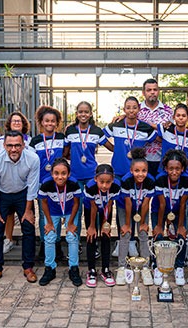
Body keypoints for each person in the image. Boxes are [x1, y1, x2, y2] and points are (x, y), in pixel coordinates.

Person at [104, 96, 156, 257]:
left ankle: (135, 240)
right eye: (128, 107)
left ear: (139, 109)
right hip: (119, 171)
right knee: (121, 205)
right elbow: (102, 136)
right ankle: (123, 240)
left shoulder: (145, 128)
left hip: (137, 174)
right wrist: (115, 149)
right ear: (124, 109)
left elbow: (158, 132)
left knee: (138, 204)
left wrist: (153, 124)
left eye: (134, 107)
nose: (131, 110)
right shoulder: (117, 125)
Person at [0, 131, 40, 286]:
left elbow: (32, 186)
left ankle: (28, 267)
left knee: (28, 228)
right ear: (4, 146)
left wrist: (29, 210)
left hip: (23, 194)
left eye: (17, 145)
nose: (14, 149)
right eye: (10, 145)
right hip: (1, 195)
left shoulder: (32, 158)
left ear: (24, 145)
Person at [63, 101, 114, 259]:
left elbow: (112, 147)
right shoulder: (70, 130)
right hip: (75, 177)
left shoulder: (97, 131)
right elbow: (65, 153)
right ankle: (76, 243)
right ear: (76, 113)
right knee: (75, 210)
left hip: (93, 177)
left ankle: (96, 243)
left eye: (86, 112)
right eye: (80, 112)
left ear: (91, 114)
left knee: (96, 210)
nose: (83, 114)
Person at [38, 158, 82, 287]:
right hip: (52, 212)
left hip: (70, 211)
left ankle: (74, 268)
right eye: (56, 173)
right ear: (52, 174)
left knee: (72, 236)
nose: (60, 177)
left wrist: (71, 223)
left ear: (68, 174)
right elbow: (44, 203)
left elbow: (76, 203)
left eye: (63, 173)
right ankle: (49, 268)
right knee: (50, 237)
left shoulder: (74, 184)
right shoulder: (46, 184)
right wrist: (49, 223)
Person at [151, 149, 188, 286]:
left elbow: (182, 204)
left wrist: (180, 226)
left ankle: (179, 267)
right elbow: (162, 204)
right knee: (158, 236)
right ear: (165, 168)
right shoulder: (160, 178)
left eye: (177, 169)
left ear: (183, 169)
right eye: (171, 169)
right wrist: (159, 226)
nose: (174, 172)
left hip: (178, 210)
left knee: (182, 236)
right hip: (159, 210)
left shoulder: (187, 180)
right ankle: (157, 266)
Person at [29, 106, 65, 261]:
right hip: (42, 183)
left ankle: (56, 245)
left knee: (56, 214)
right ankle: (44, 245)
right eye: (47, 121)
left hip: (59, 184)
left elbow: (66, 155)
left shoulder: (62, 138)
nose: (50, 123)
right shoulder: (35, 141)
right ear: (41, 123)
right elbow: (31, 163)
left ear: (57, 123)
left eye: (53, 121)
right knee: (44, 216)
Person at [116, 148, 156, 286]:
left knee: (144, 233)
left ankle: (145, 267)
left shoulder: (150, 181)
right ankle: (121, 267)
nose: (140, 174)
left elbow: (146, 203)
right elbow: (127, 204)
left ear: (147, 171)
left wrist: (143, 222)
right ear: (131, 170)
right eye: (137, 171)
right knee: (125, 234)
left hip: (141, 209)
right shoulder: (126, 180)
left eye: (144, 171)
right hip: (125, 207)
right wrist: (127, 224)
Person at [0, 112, 32, 255]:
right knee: (8, 215)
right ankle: (8, 239)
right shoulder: (0, 141)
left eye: (19, 121)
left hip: (23, 185)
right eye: (14, 121)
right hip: (5, 184)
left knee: (26, 218)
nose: (16, 123)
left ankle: (27, 251)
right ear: (9, 123)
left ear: (23, 124)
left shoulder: (29, 141)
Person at [84, 164, 122, 288]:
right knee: (91, 237)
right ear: (95, 179)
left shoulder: (116, 186)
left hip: (106, 209)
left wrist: (106, 224)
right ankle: (91, 270)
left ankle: (105, 269)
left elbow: (110, 203)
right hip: (91, 211)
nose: (104, 185)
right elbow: (93, 207)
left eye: (108, 182)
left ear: (113, 180)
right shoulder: (90, 187)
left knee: (106, 236)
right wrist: (91, 226)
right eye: (101, 182)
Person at [137, 78, 173, 177]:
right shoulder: (136, 110)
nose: (152, 92)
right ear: (143, 93)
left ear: (158, 91)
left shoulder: (168, 111)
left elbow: (174, 132)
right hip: (141, 159)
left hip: (163, 158)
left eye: (155, 89)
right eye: (149, 90)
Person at [156, 103, 188, 174]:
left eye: (183, 115)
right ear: (173, 117)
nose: (181, 118)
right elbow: (153, 131)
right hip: (164, 173)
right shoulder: (166, 129)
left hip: (183, 174)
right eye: (178, 115)